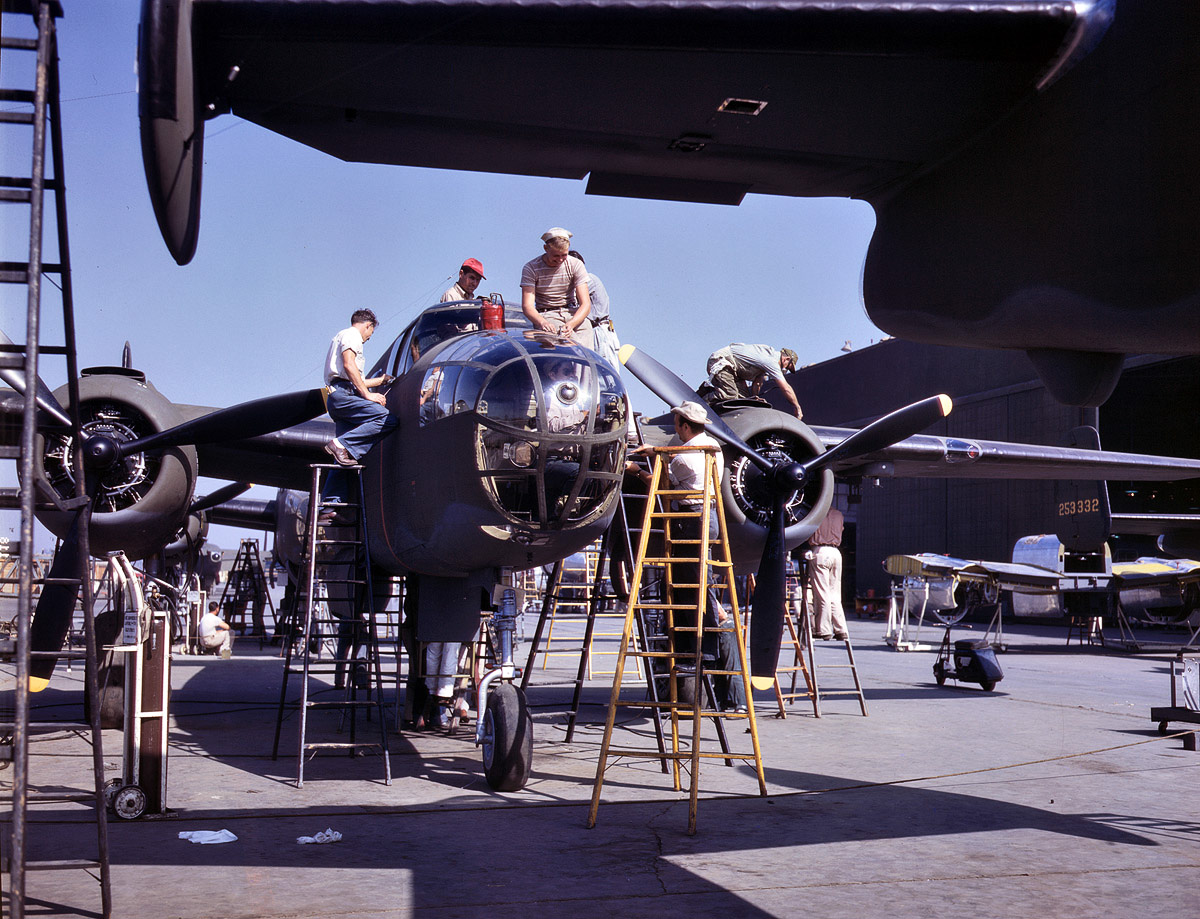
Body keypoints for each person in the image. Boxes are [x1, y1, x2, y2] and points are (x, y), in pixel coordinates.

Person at [626, 401, 724, 658]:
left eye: (678, 424)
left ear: (686, 425)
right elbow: (681, 452)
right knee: (702, 582)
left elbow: (661, 483)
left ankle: (696, 651)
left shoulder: (682, 459)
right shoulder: (713, 448)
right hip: (710, 517)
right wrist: (656, 451)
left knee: (685, 587)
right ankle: (704, 649)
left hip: (691, 521)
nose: (675, 428)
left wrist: (637, 471)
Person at [322, 309, 397, 513]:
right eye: (370, 333)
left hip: (340, 394)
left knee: (344, 457)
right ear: (368, 325)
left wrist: (381, 381)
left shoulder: (342, 336)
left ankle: (330, 506)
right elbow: (348, 365)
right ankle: (339, 444)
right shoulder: (352, 335)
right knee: (387, 418)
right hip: (344, 396)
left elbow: (355, 378)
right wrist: (368, 395)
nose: (368, 338)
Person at [520, 227, 595, 350]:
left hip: (571, 313)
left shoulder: (576, 264)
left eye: (564, 255)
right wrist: (542, 322)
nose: (560, 260)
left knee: (586, 332)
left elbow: (585, 304)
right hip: (547, 315)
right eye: (556, 255)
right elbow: (527, 306)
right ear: (546, 248)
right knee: (570, 343)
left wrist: (571, 323)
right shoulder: (531, 268)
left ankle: (585, 369)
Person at [702, 343, 803, 417]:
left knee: (745, 401)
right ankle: (700, 402)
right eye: (787, 367)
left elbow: (758, 383)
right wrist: (797, 407)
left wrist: (755, 397)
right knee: (730, 394)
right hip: (721, 362)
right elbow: (786, 388)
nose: (784, 370)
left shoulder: (767, 358)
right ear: (786, 359)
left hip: (734, 371)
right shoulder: (771, 361)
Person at [567, 250, 620, 368]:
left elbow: (571, 298)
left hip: (599, 332)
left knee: (604, 371)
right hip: (593, 331)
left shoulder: (588, 279)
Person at [807, 506, 847, 640]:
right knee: (835, 594)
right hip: (836, 553)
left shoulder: (816, 512)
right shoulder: (838, 514)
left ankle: (823, 629)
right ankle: (841, 628)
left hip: (820, 551)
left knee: (822, 593)